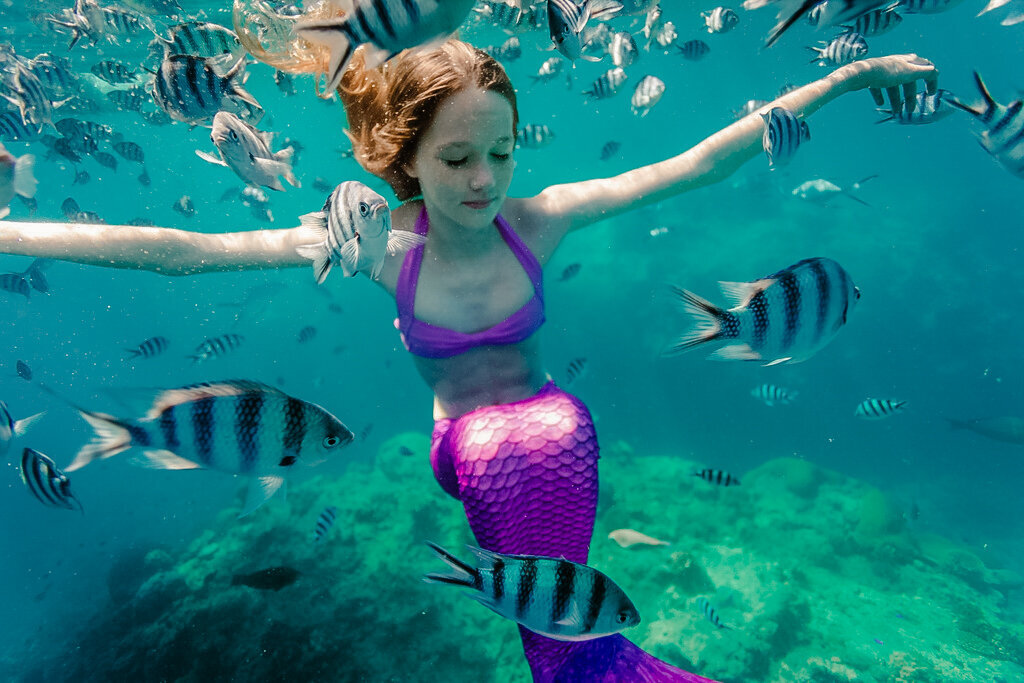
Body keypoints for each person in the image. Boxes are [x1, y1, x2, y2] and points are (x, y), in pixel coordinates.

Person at [0, 12, 939, 680]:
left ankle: (590, 659)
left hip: (552, 434)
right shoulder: (378, 245)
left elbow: (695, 163)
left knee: (558, 427)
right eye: (457, 160)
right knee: (510, 440)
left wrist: (849, 77)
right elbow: (182, 256)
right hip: (470, 448)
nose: (485, 180)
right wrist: (12, 232)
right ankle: (585, 665)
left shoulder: (540, 220)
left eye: (503, 152)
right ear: (406, 158)